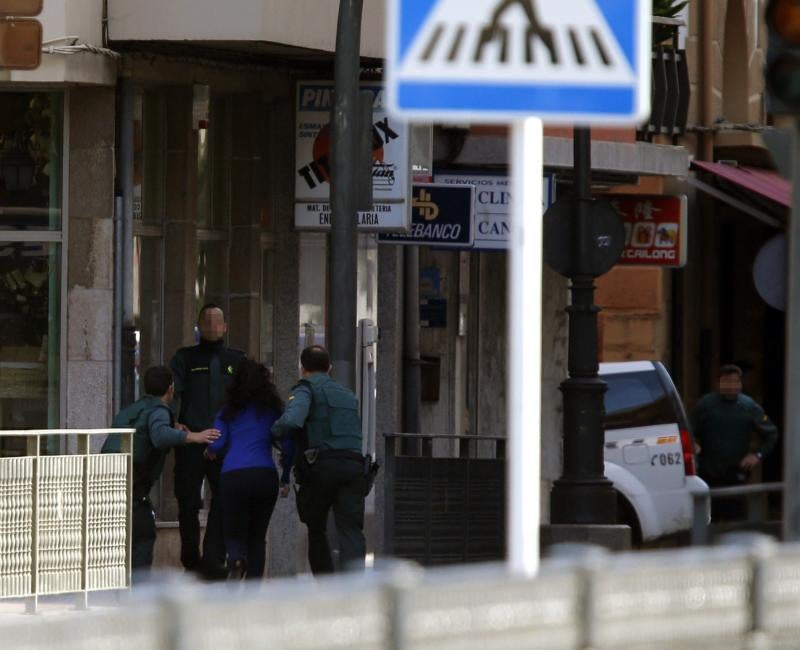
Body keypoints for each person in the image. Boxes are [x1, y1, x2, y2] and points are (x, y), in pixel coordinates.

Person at [103, 366, 220, 579]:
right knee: (143, 535)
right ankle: (137, 597)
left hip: (108, 480)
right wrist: (195, 437)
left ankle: (119, 591)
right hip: (133, 486)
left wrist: (175, 428)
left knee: (120, 540)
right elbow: (158, 435)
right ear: (171, 389)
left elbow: (146, 430)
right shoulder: (159, 410)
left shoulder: (136, 408)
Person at [272, 345, 372, 575]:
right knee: (351, 531)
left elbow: (292, 421)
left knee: (316, 528)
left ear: (302, 368)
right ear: (329, 368)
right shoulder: (347, 394)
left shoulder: (306, 389)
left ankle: (326, 589)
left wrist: (272, 433)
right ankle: (356, 590)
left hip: (322, 467)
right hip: (355, 467)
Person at [169, 304, 245, 579]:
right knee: (187, 501)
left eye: (218, 322)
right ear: (199, 326)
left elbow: (243, 400)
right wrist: (173, 421)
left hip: (224, 443)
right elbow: (172, 394)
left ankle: (214, 556)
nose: (213, 327)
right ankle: (191, 557)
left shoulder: (237, 360)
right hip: (191, 441)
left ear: (226, 327)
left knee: (224, 500)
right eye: (207, 322)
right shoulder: (185, 358)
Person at [206, 358, 294, 580]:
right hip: (264, 476)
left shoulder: (227, 411)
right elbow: (287, 444)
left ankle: (235, 558)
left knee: (233, 530)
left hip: (233, 476)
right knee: (257, 537)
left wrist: (210, 450)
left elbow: (215, 443)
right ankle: (253, 591)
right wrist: (285, 477)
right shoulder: (272, 410)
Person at [692, 364, 778, 519]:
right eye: (726, 382)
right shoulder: (705, 404)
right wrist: (694, 443)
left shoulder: (749, 406)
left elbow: (771, 434)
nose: (731, 386)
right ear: (719, 384)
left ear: (740, 384)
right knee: (709, 517)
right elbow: (689, 429)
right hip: (709, 473)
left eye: (734, 382)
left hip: (736, 474)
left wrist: (757, 455)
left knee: (736, 517)